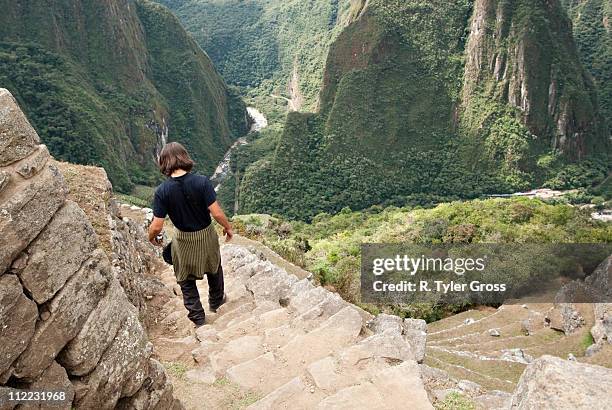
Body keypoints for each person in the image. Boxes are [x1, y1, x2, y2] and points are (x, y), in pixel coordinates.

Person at [148, 142, 233, 327]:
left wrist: (151, 237)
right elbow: (216, 213)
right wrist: (228, 227)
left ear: (164, 163)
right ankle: (216, 301)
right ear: (184, 157)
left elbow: (157, 225)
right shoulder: (202, 182)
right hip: (206, 234)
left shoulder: (162, 191)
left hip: (183, 239)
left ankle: (199, 319)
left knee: (185, 278)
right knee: (214, 267)